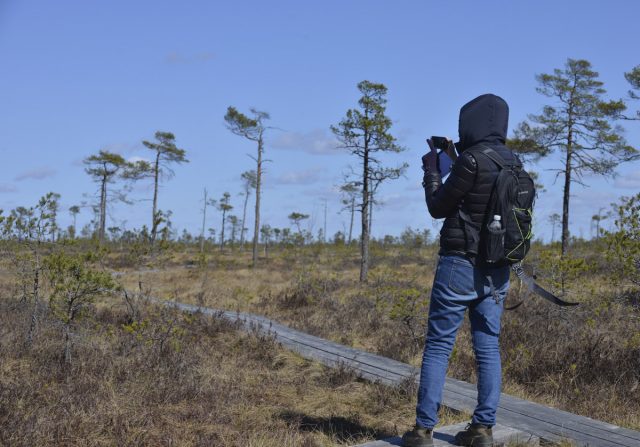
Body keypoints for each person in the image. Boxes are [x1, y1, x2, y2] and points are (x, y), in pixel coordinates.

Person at [402, 94, 518, 447]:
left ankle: (423, 431)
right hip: (497, 270)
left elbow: (439, 207)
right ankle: (482, 429)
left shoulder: (469, 161)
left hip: (459, 265)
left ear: (470, 123)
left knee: (438, 346)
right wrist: (457, 159)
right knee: (488, 347)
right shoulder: (514, 162)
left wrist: (432, 171)